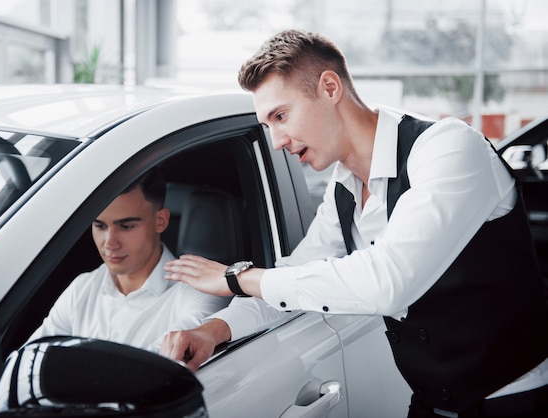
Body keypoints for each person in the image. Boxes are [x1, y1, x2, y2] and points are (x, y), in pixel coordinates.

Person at [160, 29, 548, 417]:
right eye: (267, 126)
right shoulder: (343, 190)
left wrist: (236, 277)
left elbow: (390, 282)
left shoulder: (448, 147)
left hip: (514, 402)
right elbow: (293, 278)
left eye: (281, 116)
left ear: (330, 88)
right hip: (431, 404)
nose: (276, 141)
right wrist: (214, 330)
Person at [27, 167, 228, 353]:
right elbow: (31, 362)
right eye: (100, 226)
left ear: (161, 221)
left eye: (126, 227)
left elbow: (151, 374)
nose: (109, 244)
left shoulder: (197, 297)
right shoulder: (81, 289)